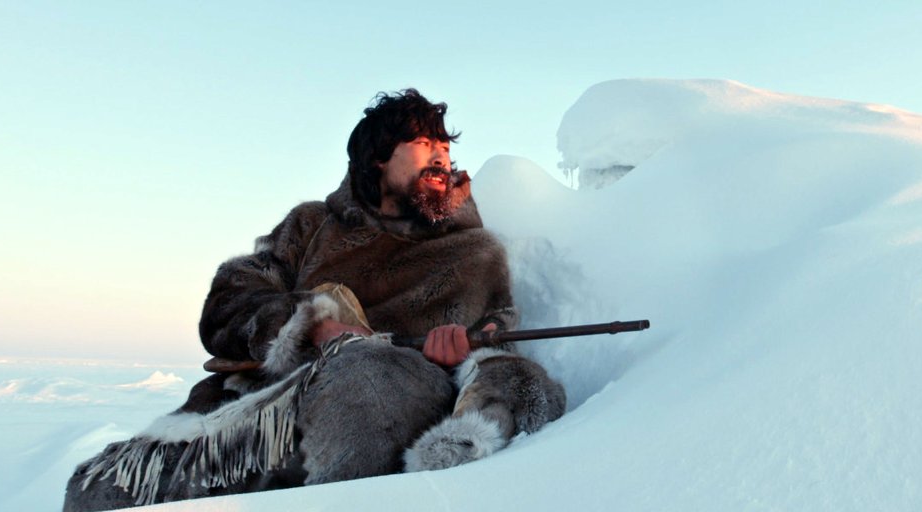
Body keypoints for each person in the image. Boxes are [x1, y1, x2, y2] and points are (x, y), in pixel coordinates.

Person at [64, 89, 565, 511]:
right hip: (257, 418)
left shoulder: (476, 254)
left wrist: (461, 354)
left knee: (368, 375)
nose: (440, 156)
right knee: (96, 489)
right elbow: (229, 300)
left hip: (384, 406)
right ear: (378, 156)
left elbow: (497, 349)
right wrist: (312, 325)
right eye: (422, 142)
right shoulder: (311, 225)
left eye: (444, 146)